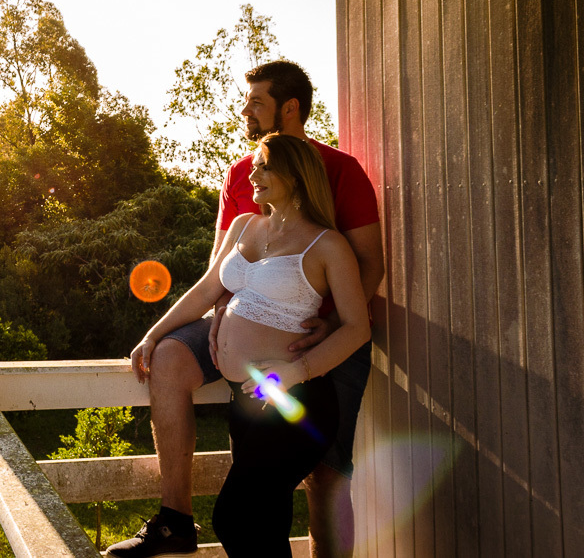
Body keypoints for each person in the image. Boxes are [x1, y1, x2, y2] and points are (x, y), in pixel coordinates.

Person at [108, 60, 384, 558]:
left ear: (290, 107)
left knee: (316, 475)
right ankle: (174, 521)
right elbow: (215, 277)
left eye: (256, 101)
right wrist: (171, 330)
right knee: (171, 362)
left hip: (309, 342)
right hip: (239, 340)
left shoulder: (340, 176)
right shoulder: (242, 183)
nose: (245, 111)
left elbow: (369, 267)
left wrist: (328, 330)